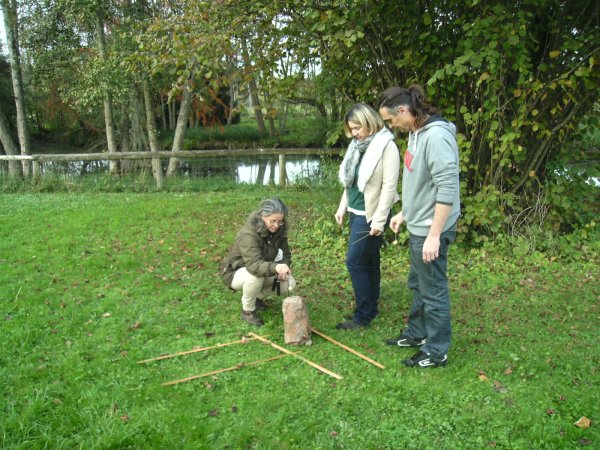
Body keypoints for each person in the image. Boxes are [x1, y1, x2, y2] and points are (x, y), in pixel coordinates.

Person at [379, 85, 460, 368]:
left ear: (403, 111)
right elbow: (421, 182)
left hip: (431, 230)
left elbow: (447, 187)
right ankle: (417, 333)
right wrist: (405, 212)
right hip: (419, 224)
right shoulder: (415, 133)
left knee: (433, 289)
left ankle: (437, 351)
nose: (391, 126)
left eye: (391, 120)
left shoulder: (436, 136)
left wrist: (434, 235)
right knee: (418, 283)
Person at [334, 103, 400, 330]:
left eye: (357, 127)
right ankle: (371, 307)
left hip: (371, 214)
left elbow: (389, 187)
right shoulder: (356, 145)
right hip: (355, 211)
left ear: (369, 121)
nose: (354, 133)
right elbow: (348, 180)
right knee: (370, 259)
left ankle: (362, 317)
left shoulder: (386, 146)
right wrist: (342, 208)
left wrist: (380, 221)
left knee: (354, 262)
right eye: (352, 129)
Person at [221, 197, 296, 326]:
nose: (276, 225)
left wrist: (284, 267)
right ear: (263, 216)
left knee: (288, 283)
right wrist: (275, 268)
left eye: (280, 221)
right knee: (255, 277)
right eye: (272, 221)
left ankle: (257, 298)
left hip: (262, 269)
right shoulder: (249, 234)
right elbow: (254, 266)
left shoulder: (279, 231)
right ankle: (248, 310)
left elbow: (286, 254)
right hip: (236, 273)